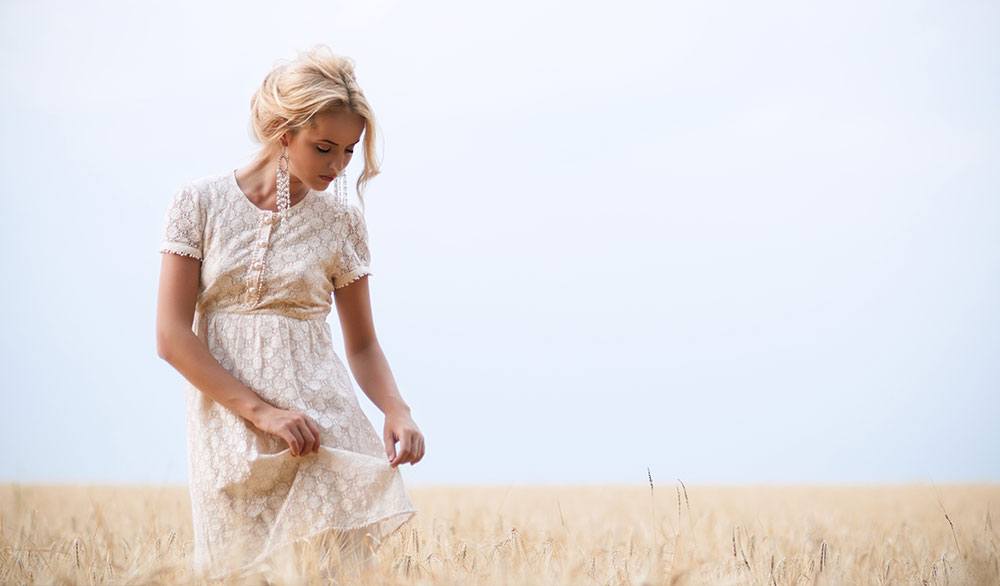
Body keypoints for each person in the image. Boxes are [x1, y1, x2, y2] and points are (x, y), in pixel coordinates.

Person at [154, 45, 425, 580]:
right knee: (234, 570)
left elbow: (363, 344)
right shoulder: (198, 203)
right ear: (282, 129)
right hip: (230, 426)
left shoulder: (341, 223)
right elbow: (170, 335)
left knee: (334, 573)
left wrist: (398, 410)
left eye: (349, 151)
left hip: (323, 427)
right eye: (324, 147)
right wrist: (263, 413)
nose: (338, 166)